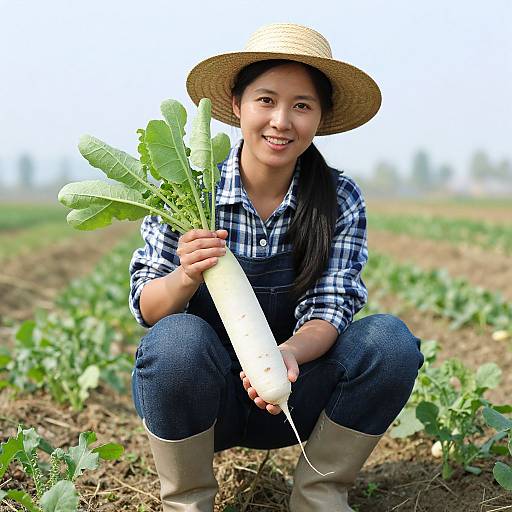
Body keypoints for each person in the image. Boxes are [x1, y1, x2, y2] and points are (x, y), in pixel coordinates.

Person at [129, 22, 424, 512]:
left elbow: (331, 308)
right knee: (176, 342)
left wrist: (282, 356)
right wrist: (185, 275)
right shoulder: (184, 193)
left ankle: (319, 495)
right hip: (206, 398)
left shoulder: (340, 197)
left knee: (389, 343)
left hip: (295, 386)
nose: (281, 121)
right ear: (237, 103)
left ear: (321, 117)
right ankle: (187, 502)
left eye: (301, 105)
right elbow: (146, 306)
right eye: (266, 100)